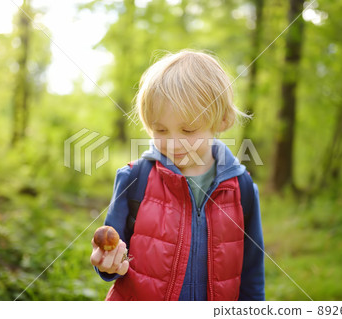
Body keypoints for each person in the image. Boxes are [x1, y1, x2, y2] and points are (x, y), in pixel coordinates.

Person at [90, 50, 265, 301]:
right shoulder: (135, 178)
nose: (173, 143)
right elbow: (111, 256)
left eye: (188, 129)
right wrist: (107, 264)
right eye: (161, 130)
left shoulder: (242, 188)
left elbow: (252, 273)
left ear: (222, 120)